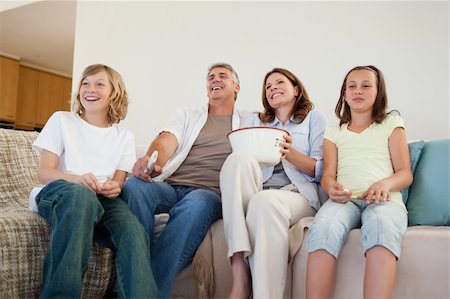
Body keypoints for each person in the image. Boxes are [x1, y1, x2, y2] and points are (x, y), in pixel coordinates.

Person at [28, 64, 159, 298]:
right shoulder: (62, 121)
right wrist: (76, 179)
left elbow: (118, 184)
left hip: (102, 202)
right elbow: (44, 173)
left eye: (100, 84)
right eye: (85, 83)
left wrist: (113, 187)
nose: (90, 89)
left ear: (114, 94)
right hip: (62, 192)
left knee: (133, 230)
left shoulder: (124, 137)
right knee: (81, 196)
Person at [121, 63, 249, 298]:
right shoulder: (187, 115)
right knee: (134, 186)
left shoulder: (249, 121)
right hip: (171, 187)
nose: (215, 80)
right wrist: (154, 159)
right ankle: (135, 275)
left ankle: (141, 292)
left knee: (196, 202)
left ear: (237, 87)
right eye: (210, 77)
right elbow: (167, 139)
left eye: (223, 76)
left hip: (209, 194)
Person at [306, 65, 413, 299]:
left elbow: (405, 173)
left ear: (378, 92)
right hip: (346, 201)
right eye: (351, 86)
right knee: (322, 228)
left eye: (366, 85)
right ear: (344, 94)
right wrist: (330, 188)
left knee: (382, 229)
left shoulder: (391, 123)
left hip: (383, 200)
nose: (358, 90)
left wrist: (385, 184)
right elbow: (327, 176)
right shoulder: (333, 132)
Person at [220, 68, 327, 299]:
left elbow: (321, 170)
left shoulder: (314, 119)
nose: (272, 88)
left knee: (265, 202)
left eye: (279, 82)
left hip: (297, 195)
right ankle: (239, 268)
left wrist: (291, 153)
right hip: (257, 192)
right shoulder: (254, 120)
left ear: (296, 89)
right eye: (268, 86)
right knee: (236, 159)